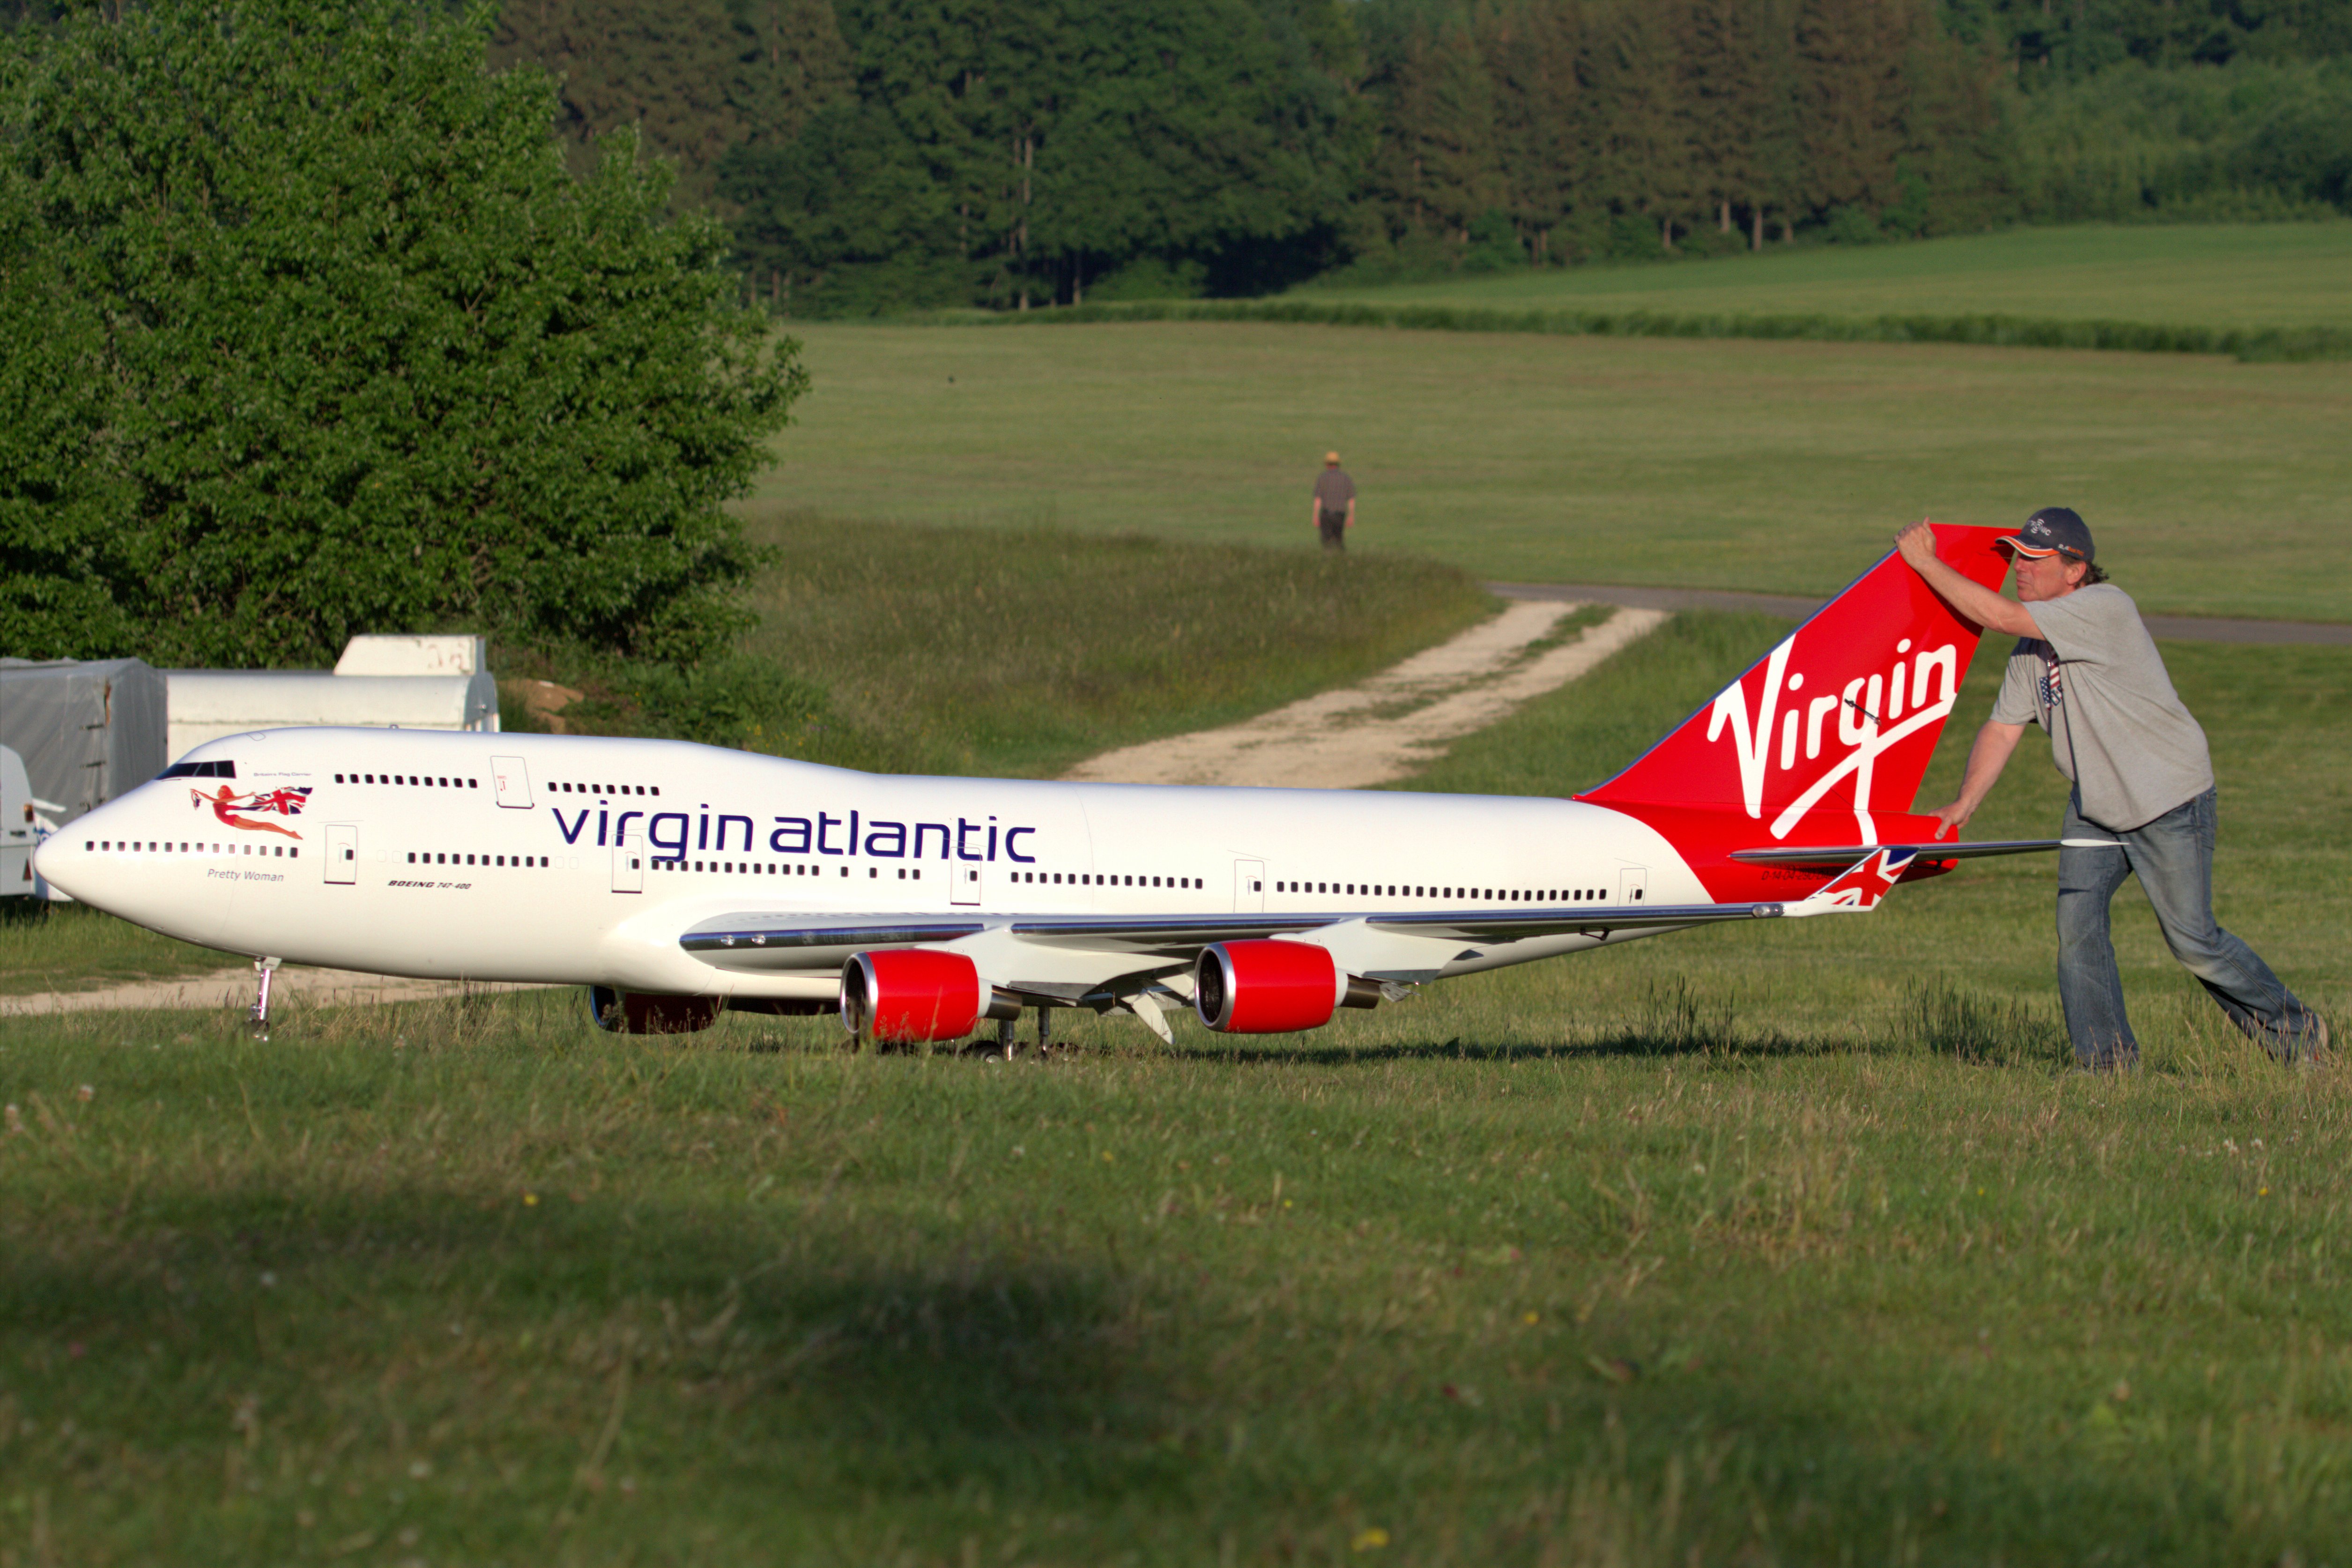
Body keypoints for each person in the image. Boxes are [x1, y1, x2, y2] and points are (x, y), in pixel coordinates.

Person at [1895, 508, 2325, 1071]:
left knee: (2193, 942)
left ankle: (2299, 1035)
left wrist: (1923, 561)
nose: (2019, 567)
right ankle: (2106, 1063)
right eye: (2016, 555)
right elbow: (2001, 726)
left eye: (2033, 558)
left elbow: (1998, 616)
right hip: (2095, 806)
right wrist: (1964, 802)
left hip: (2166, 799)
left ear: (2074, 571)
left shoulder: (2103, 608)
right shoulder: (2032, 648)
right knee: (2077, 929)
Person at [1312, 451, 1355, 550]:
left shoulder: (1322, 478)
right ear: (1338, 464)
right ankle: (1340, 559)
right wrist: (1351, 516)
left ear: (1327, 464)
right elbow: (1351, 499)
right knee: (1339, 540)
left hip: (1326, 515)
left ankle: (1329, 561)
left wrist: (1315, 516)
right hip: (1340, 515)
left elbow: (1318, 499)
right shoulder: (1345, 478)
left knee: (1326, 542)